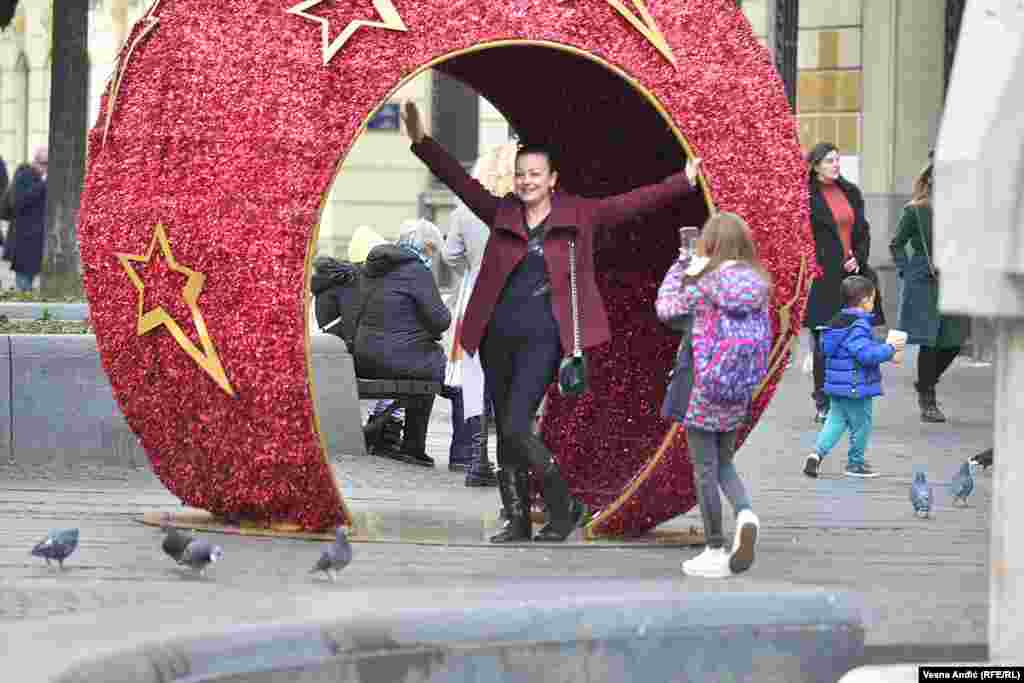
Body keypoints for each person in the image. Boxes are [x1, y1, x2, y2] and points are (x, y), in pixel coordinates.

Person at [400, 101, 702, 543]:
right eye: (521, 174)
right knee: (505, 427)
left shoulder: (580, 214)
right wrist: (421, 142)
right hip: (496, 334)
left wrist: (684, 181)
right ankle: (517, 516)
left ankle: (565, 505)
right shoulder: (502, 211)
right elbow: (460, 183)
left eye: (535, 174)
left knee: (519, 422)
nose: (526, 181)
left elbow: (633, 204)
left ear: (552, 178)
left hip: (546, 336)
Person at [656, 212, 770, 578]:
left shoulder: (705, 286)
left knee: (704, 469)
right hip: (739, 389)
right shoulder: (759, 285)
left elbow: (666, 308)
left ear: (711, 244)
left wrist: (683, 264)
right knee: (724, 462)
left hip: (705, 389)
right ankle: (746, 514)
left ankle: (715, 549)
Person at [444, 141, 519, 487]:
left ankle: (477, 459)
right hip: (516, 298)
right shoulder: (523, 209)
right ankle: (512, 459)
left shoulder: (464, 211)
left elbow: (451, 255)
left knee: (476, 380)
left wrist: (471, 271)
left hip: (475, 296)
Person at [353, 218, 451, 467]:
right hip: (395, 358)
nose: (432, 257)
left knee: (424, 362)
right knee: (438, 366)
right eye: (433, 251)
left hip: (363, 357)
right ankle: (417, 446)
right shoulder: (417, 271)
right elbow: (440, 320)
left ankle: (389, 436)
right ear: (426, 247)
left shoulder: (372, 267)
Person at [803, 142, 884, 424]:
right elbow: (803, 237)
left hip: (852, 277)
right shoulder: (805, 196)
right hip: (823, 278)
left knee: (852, 338)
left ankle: (845, 396)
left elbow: (863, 231)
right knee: (824, 340)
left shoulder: (850, 192)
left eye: (837, 160)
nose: (835, 165)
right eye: (829, 161)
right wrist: (821, 262)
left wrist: (858, 259)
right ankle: (822, 400)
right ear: (815, 165)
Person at [889, 162, 970, 422]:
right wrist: (906, 270)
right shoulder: (916, 210)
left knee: (955, 340)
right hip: (924, 279)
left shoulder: (964, 209)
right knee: (930, 340)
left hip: (954, 278)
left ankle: (925, 382)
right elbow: (897, 244)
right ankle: (928, 401)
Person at [803, 275, 905, 479]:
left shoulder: (835, 323)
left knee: (835, 422)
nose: (874, 304)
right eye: (873, 299)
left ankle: (816, 455)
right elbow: (865, 355)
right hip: (856, 386)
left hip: (836, 386)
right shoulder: (858, 326)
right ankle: (855, 463)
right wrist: (890, 348)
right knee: (862, 425)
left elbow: (836, 350)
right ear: (865, 301)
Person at [9, 147, 48, 292]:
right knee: (23, 277)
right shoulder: (24, 175)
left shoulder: (42, 178)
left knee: (31, 273)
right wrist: (42, 184)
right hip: (23, 235)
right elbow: (19, 201)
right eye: (44, 163)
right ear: (35, 162)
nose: (46, 168)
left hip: (36, 235)